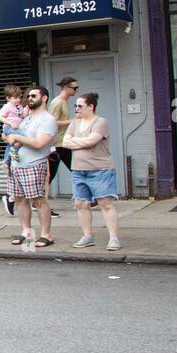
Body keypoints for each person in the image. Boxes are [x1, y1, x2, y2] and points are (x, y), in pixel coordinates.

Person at [63, 92, 121, 250]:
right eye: (76, 106)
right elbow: (65, 142)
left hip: (100, 170)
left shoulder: (100, 122)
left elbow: (91, 141)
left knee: (105, 203)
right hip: (78, 170)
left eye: (80, 106)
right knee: (81, 204)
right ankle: (87, 236)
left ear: (91, 106)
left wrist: (75, 141)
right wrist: (78, 142)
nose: (77, 109)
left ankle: (114, 238)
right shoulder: (75, 122)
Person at [4, 84, 58, 249]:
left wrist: (16, 137)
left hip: (34, 165)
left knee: (38, 200)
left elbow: (39, 143)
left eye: (34, 96)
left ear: (44, 98)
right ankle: (26, 231)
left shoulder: (48, 120)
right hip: (16, 165)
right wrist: (11, 137)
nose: (29, 99)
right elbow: (7, 137)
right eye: (28, 96)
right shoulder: (26, 119)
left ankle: (46, 235)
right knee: (19, 200)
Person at [0, 85, 26, 215]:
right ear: (8, 98)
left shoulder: (20, 107)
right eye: (15, 98)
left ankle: (6, 161)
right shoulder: (7, 107)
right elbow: (2, 118)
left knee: (11, 145)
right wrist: (10, 124)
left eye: (19, 97)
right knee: (17, 141)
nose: (18, 100)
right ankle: (11, 197)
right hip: (11, 128)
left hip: (17, 129)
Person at [48, 76, 78, 188]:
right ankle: (36, 201)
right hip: (58, 144)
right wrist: (72, 121)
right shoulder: (58, 102)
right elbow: (52, 122)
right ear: (65, 87)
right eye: (74, 88)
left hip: (63, 142)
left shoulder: (64, 101)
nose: (76, 90)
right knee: (75, 169)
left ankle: (88, 198)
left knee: (75, 169)